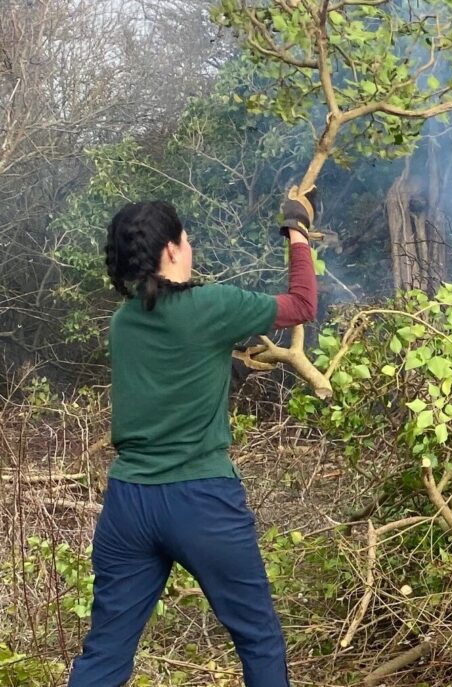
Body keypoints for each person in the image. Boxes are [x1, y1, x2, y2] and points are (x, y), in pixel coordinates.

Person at [67, 187, 319, 687]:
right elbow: (302, 304)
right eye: (186, 238)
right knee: (258, 638)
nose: (190, 245)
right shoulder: (212, 306)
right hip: (201, 499)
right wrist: (297, 232)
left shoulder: (124, 321)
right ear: (172, 250)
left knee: (106, 651)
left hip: (128, 504)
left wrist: (224, 366)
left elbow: (166, 374)